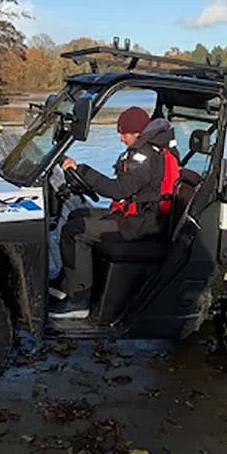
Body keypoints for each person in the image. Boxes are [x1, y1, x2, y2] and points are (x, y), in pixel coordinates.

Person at [48, 107, 179, 322]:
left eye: (123, 133)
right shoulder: (145, 148)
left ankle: (78, 301)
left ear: (137, 132)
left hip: (141, 225)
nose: (120, 139)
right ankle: (68, 283)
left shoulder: (145, 155)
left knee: (76, 230)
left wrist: (82, 171)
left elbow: (119, 189)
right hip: (133, 215)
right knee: (76, 215)